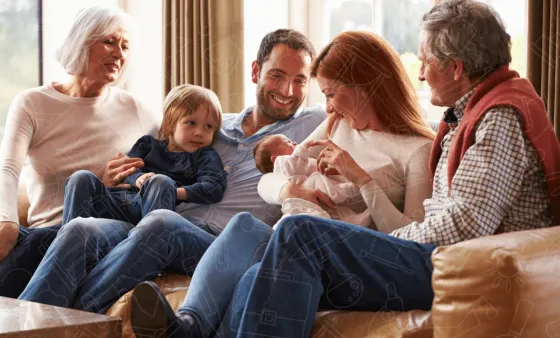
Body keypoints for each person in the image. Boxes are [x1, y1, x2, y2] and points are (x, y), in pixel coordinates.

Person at [137, 1, 560, 337]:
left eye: (427, 59)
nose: (421, 69)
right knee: (269, 256)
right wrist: (292, 190)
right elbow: (284, 169)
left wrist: (390, 237)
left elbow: (466, 226)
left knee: (297, 235)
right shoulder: (471, 114)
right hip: (437, 254)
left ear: (456, 68)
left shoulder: (498, 118)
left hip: (454, 263)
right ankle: (189, 328)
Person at [129, 30, 438, 338]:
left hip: (338, 255)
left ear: (365, 86)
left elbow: (409, 239)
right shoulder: (337, 124)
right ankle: (187, 326)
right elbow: (274, 174)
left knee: (254, 275)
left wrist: (362, 179)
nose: (327, 107)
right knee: (243, 226)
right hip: (294, 237)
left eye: (331, 94)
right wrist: (289, 190)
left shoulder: (417, 149)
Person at [17, 29, 327, 315]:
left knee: (161, 224)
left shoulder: (311, 124)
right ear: (256, 71)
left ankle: (74, 323)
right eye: (277, 75)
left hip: (218, 241)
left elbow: (362, 89)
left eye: (300, 80)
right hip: (152, 218)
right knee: (80, 229)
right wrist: (119, 174)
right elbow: (155, 148)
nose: (288, 90)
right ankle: (19, 329)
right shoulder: (212, 124)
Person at [0, 6, 157, 298]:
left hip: (99, 234)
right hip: (44, 233)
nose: (119, 53)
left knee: (17, 251)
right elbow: (7, 169)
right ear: (81, 41)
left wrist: (125, 181)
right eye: (109, 41)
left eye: (125, 46)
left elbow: (171, 165)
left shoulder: (139, 111)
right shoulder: (32, 103)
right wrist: (7, 224)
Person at [62, 84, 227, 226]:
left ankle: (146, 242)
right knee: (81, 178)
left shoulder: (205, 155)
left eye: (209, 127)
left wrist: (173, 191)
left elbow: (214, 187)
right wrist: (138, 178)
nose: (199, 132)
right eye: (191, 123)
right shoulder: (147, 144)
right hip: (116, 202)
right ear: (170, 124)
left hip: (148, 210)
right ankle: (68, 240)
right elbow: (128, 169)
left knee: (160, 181)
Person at [254, 134, 370, 227]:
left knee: (340, 216)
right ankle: (349, 189)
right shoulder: (283, 164)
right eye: (287, 142)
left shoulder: (303, 160)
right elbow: (296, 164)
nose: (294, 142)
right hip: (304, 196)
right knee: (316, 180)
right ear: (275, 159)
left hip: (318, 200)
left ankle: (360, 221)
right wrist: (303, 147)